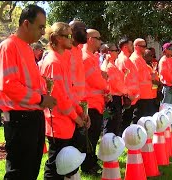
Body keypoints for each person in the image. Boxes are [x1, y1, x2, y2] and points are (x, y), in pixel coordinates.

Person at [0, 5, 57, 180]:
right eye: (40, 27)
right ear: (25, 24)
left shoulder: (27, 48)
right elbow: (8, 85)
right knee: (19, 172)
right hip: (19, 119)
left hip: (32, 116)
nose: (43, 32)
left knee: (30, 170)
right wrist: (40, 98)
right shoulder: (9, 46)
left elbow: (25, 83)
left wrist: (43, 93)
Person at [41, 22, 88, 180]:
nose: (71, 38)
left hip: (67, 121)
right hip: (58, 123)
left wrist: (80, 112)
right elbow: (59, 99)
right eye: (67, 36)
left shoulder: (62, 60)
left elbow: (70, 92)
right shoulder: (53, 63)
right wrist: (77, 118)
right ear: (57, 39)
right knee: (55, 166)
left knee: (65, 164)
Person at [81, 29, 108, 175]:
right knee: (90, 137)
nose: (100, 42)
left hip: (96, 103)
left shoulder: (91, 57)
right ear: (90, 39)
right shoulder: (86, 58)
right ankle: (88, 166)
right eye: (98, 39)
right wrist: (106, 85)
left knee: (93, 136)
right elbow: (96, 80)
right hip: (90, 104)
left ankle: (92, 163)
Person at [115, 37, 140, 136]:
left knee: (126, 120)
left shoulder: (126, 59)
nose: (132, 47)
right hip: (127, 98)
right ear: (125, 47)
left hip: (131, 97)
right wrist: (128, 95)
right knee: (124, 121)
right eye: (130, 45)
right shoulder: (123, 60)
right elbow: (122, 80)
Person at [103, 43, 127, 135]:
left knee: (116, 125)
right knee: (110, 125)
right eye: (115, 50)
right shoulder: (109, 66)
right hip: (112, 100)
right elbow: (115, 83)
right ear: (109, 52)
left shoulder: (113, 65)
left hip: (116, 99)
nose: (118, 52)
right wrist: (126, 92)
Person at [158, 43, 172, 107]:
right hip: (167, 87)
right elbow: (165, 74)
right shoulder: (163, 60)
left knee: (171, 107)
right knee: (165, 107)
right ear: (165, 50)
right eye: (170, 49)